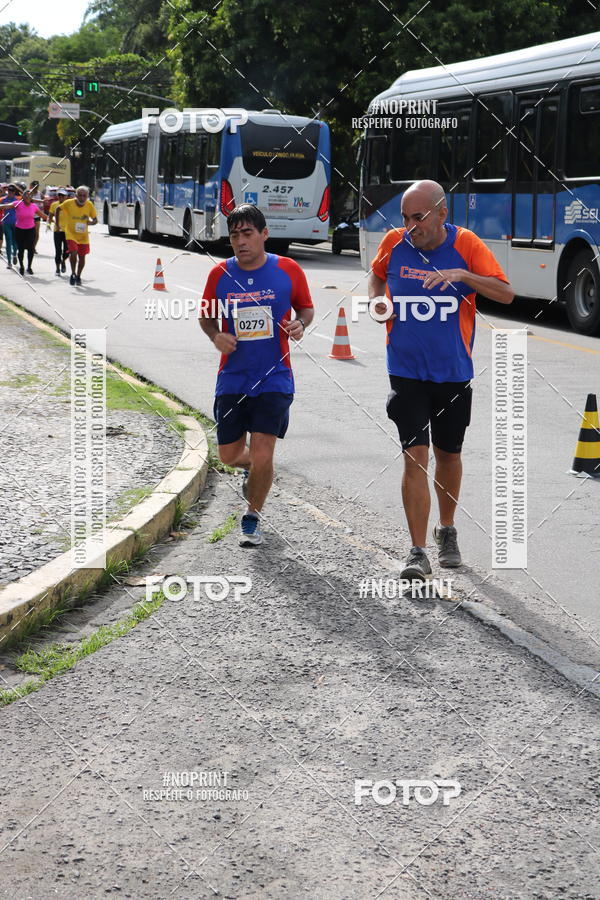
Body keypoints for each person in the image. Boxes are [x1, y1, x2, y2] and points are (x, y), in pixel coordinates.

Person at [367, 179, 514, 581]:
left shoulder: (466, 244)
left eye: (418, 217)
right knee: (414, 457)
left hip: (452, 373)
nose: (410, 226)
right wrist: (377, 301)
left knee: (448, 455)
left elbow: (505, 293)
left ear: (442, 213)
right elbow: (376, 275)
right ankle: (417, 552)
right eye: (405, 217)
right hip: (406, 371)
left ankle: (446, 529)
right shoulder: (395, 243)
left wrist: (463, 275)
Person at [199, 203, 314, 547]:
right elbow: (206, 316)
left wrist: (300, 323)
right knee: (229, 456)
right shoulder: (220, 274)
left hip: (275, 377)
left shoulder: (288, 269)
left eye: (247, 233)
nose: (240, 241)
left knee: (264, 452)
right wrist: (215, 335)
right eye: (234, 235)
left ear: (264, 234)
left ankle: (252, 516)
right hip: (233, 377)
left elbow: (306, 308)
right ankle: (255, 469)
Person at [59, 185, 98, 285]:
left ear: (87, 196)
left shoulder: (89, 205)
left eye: (84, 196)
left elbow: (95, 220)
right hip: (71, 234)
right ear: (76, 195)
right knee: (73, 252)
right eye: (80, 195)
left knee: (82, 257)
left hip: (83, 236)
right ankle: (73, 273)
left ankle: (78, 276)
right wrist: (57, 223)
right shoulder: (68, 203)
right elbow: (58, 209)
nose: (82, 198)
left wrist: (90, 223)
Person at [10, 189, 48, 275]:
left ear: (31, 197)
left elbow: (43, 216)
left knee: (31, 248)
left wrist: (54, 220)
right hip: (19, 229)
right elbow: (5, 206)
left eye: (29, 195)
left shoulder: (34, 206)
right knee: (21, 249)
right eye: (26, 195)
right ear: (23, 197)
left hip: (30, 230)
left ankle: (29, 267)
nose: (28, 197)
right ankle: (21, 266)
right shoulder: (17, 204)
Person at [48, 188, 69, 276]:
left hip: (67, 231)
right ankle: (57, 269)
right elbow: (50, 215)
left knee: (67, 250)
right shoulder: (54, 204)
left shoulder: (69, 204)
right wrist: (48, 224)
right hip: (57, 230)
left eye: (62, 195)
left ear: (66, 196)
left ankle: (63, 261)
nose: (61, 197)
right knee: (58, 250)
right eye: (59, 195)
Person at [0, 184, 19, 269]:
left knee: (15, 242)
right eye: (9, 191)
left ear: (14, 192)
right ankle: (9, 262)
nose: (10, 192)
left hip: (16, 223)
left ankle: (14, 254)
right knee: (8, 241)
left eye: (12, 191)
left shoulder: (17, 200)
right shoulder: (3, 199)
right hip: (6, 223)